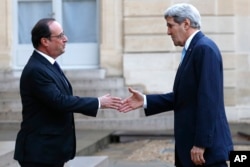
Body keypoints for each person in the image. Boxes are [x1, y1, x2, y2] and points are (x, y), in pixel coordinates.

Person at [119, 3, 233, 167]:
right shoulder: (194, 49)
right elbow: (184, 97)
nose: (168, 32)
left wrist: (201, 143)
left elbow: (209, 100)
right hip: (192, 150)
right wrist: (145, 100)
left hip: (204, 153)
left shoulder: (204, 49)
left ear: (186, 24)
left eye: (170, 25)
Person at [14, 18, 121, 167]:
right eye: (60, 36)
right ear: (45, 41)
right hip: (39, 153)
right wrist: (98, 102)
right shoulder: (36, 69)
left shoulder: (49, 64)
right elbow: (60, 101)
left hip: (51, 151)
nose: (66, 39)